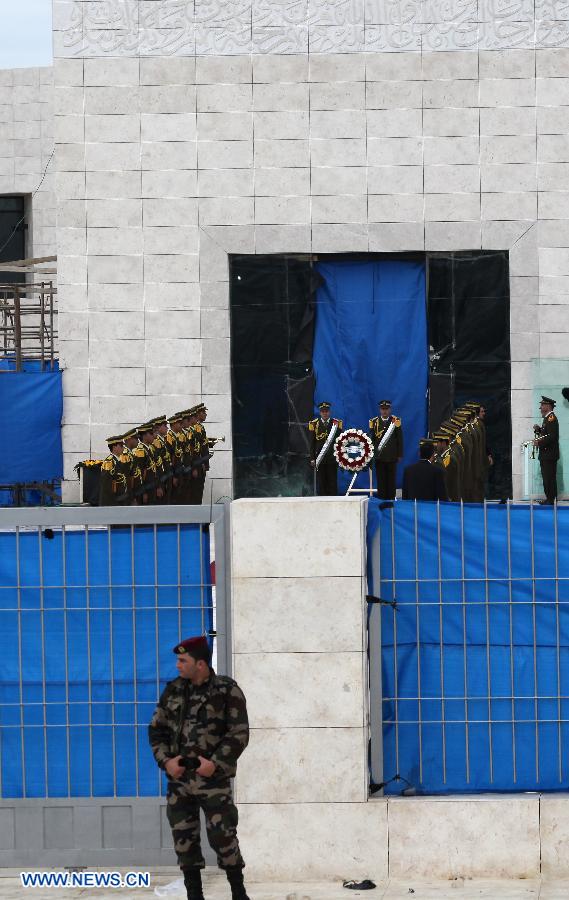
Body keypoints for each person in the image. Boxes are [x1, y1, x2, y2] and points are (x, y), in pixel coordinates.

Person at [148, 636, 250, 900]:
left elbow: (239, 733)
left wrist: (215, 764)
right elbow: (156, 731)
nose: (178, 665)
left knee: (224, 838)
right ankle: (194, 895)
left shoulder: (227, 690)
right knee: (184, 840)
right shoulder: (173, 691)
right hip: (180, 781)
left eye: (183, 661)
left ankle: (238, 893)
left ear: (201, 664)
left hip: (212, 780)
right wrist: (166, 762)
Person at [368, 400, 403, 500]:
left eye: (386, 409)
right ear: (380, 410)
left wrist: (399, 454)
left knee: (391, 479)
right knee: (381, 479)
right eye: (383, 409)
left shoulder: (395, 421)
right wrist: (372, 454)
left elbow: (399, 439)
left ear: (390, 409)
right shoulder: (373, 422)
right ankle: (381, 499)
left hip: (392, 455)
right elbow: (372, 439)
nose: (384, 411)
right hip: (379, 456)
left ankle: (391, 498)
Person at [308, 401, 343, 495]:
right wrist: (312, 458)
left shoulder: (336, 423)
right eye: (323, 411)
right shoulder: (314, 424)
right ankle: (323, 502)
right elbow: (312, 443)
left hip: (332, 457)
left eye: (326, 411)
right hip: (320, 458)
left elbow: (340, 441)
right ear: (320, 412)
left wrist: (340, 456)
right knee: (321, 482)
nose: (325, 413)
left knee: (332, 481)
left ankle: (334, 502)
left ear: (329, 412)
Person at [533, 395, 560, 504]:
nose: (540, 407)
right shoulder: (547, 418)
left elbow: (552, 436)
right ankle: (549, 498)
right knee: (547, 478)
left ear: (548, 406)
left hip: (549, 454)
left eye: (542, 405)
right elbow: (547, 434)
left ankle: (551, 499)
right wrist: (539, 429)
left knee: (549, 478)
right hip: (546, 454)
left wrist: (539, 442)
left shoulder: (551, 418)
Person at [99, 435, 131, 506]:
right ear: (114, 447)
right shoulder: (109, 462)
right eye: (121, 445)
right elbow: (106, 486)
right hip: (112, 501)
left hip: (121, 498)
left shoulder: (118, 460)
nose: (123, 448)